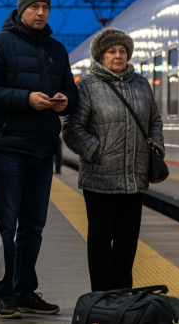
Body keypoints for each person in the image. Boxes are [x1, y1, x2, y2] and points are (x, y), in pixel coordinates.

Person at [0, 0, 78, 319]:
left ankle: (25, 290)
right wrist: (26, 99)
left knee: (33, 226)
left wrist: (64, 101)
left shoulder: (57, 50)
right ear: (20, 10)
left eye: (46, 8)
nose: (40, 13)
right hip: (6, 147)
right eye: (34, 8)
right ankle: (3, 293)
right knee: (6, 225)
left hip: (43, 149)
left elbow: (71, 93)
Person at [63, 28, 164, 292]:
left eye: (122, 51)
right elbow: (72, 129)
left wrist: (157, 148)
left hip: (135, 178)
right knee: (99, 240)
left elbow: (154, 121)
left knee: (127, 241)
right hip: (100, 179)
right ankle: (102, 295)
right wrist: (98, 152)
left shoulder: (141, 84)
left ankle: (123, 294)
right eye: (111, 51)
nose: (118, 55)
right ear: (100, 56)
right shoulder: (86, 86)